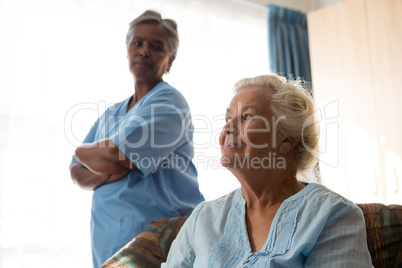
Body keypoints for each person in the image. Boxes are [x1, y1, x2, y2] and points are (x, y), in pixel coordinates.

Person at [162, 75, 373, 267]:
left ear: (287, 139)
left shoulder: (332, 215)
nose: (227, 128)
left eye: (246, 117)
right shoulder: (202, 218)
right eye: (228, 118)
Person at [69, 10, 204, 268]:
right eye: (137, 43)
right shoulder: (112, 113)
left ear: (171, 59)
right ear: (127, 49)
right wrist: (101, 174)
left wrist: (97, 157)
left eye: (156, 47)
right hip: (106, 237)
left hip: (156, 238)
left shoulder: (169, 103)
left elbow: (113, 155)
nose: (144, 51)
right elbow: (75, 168)